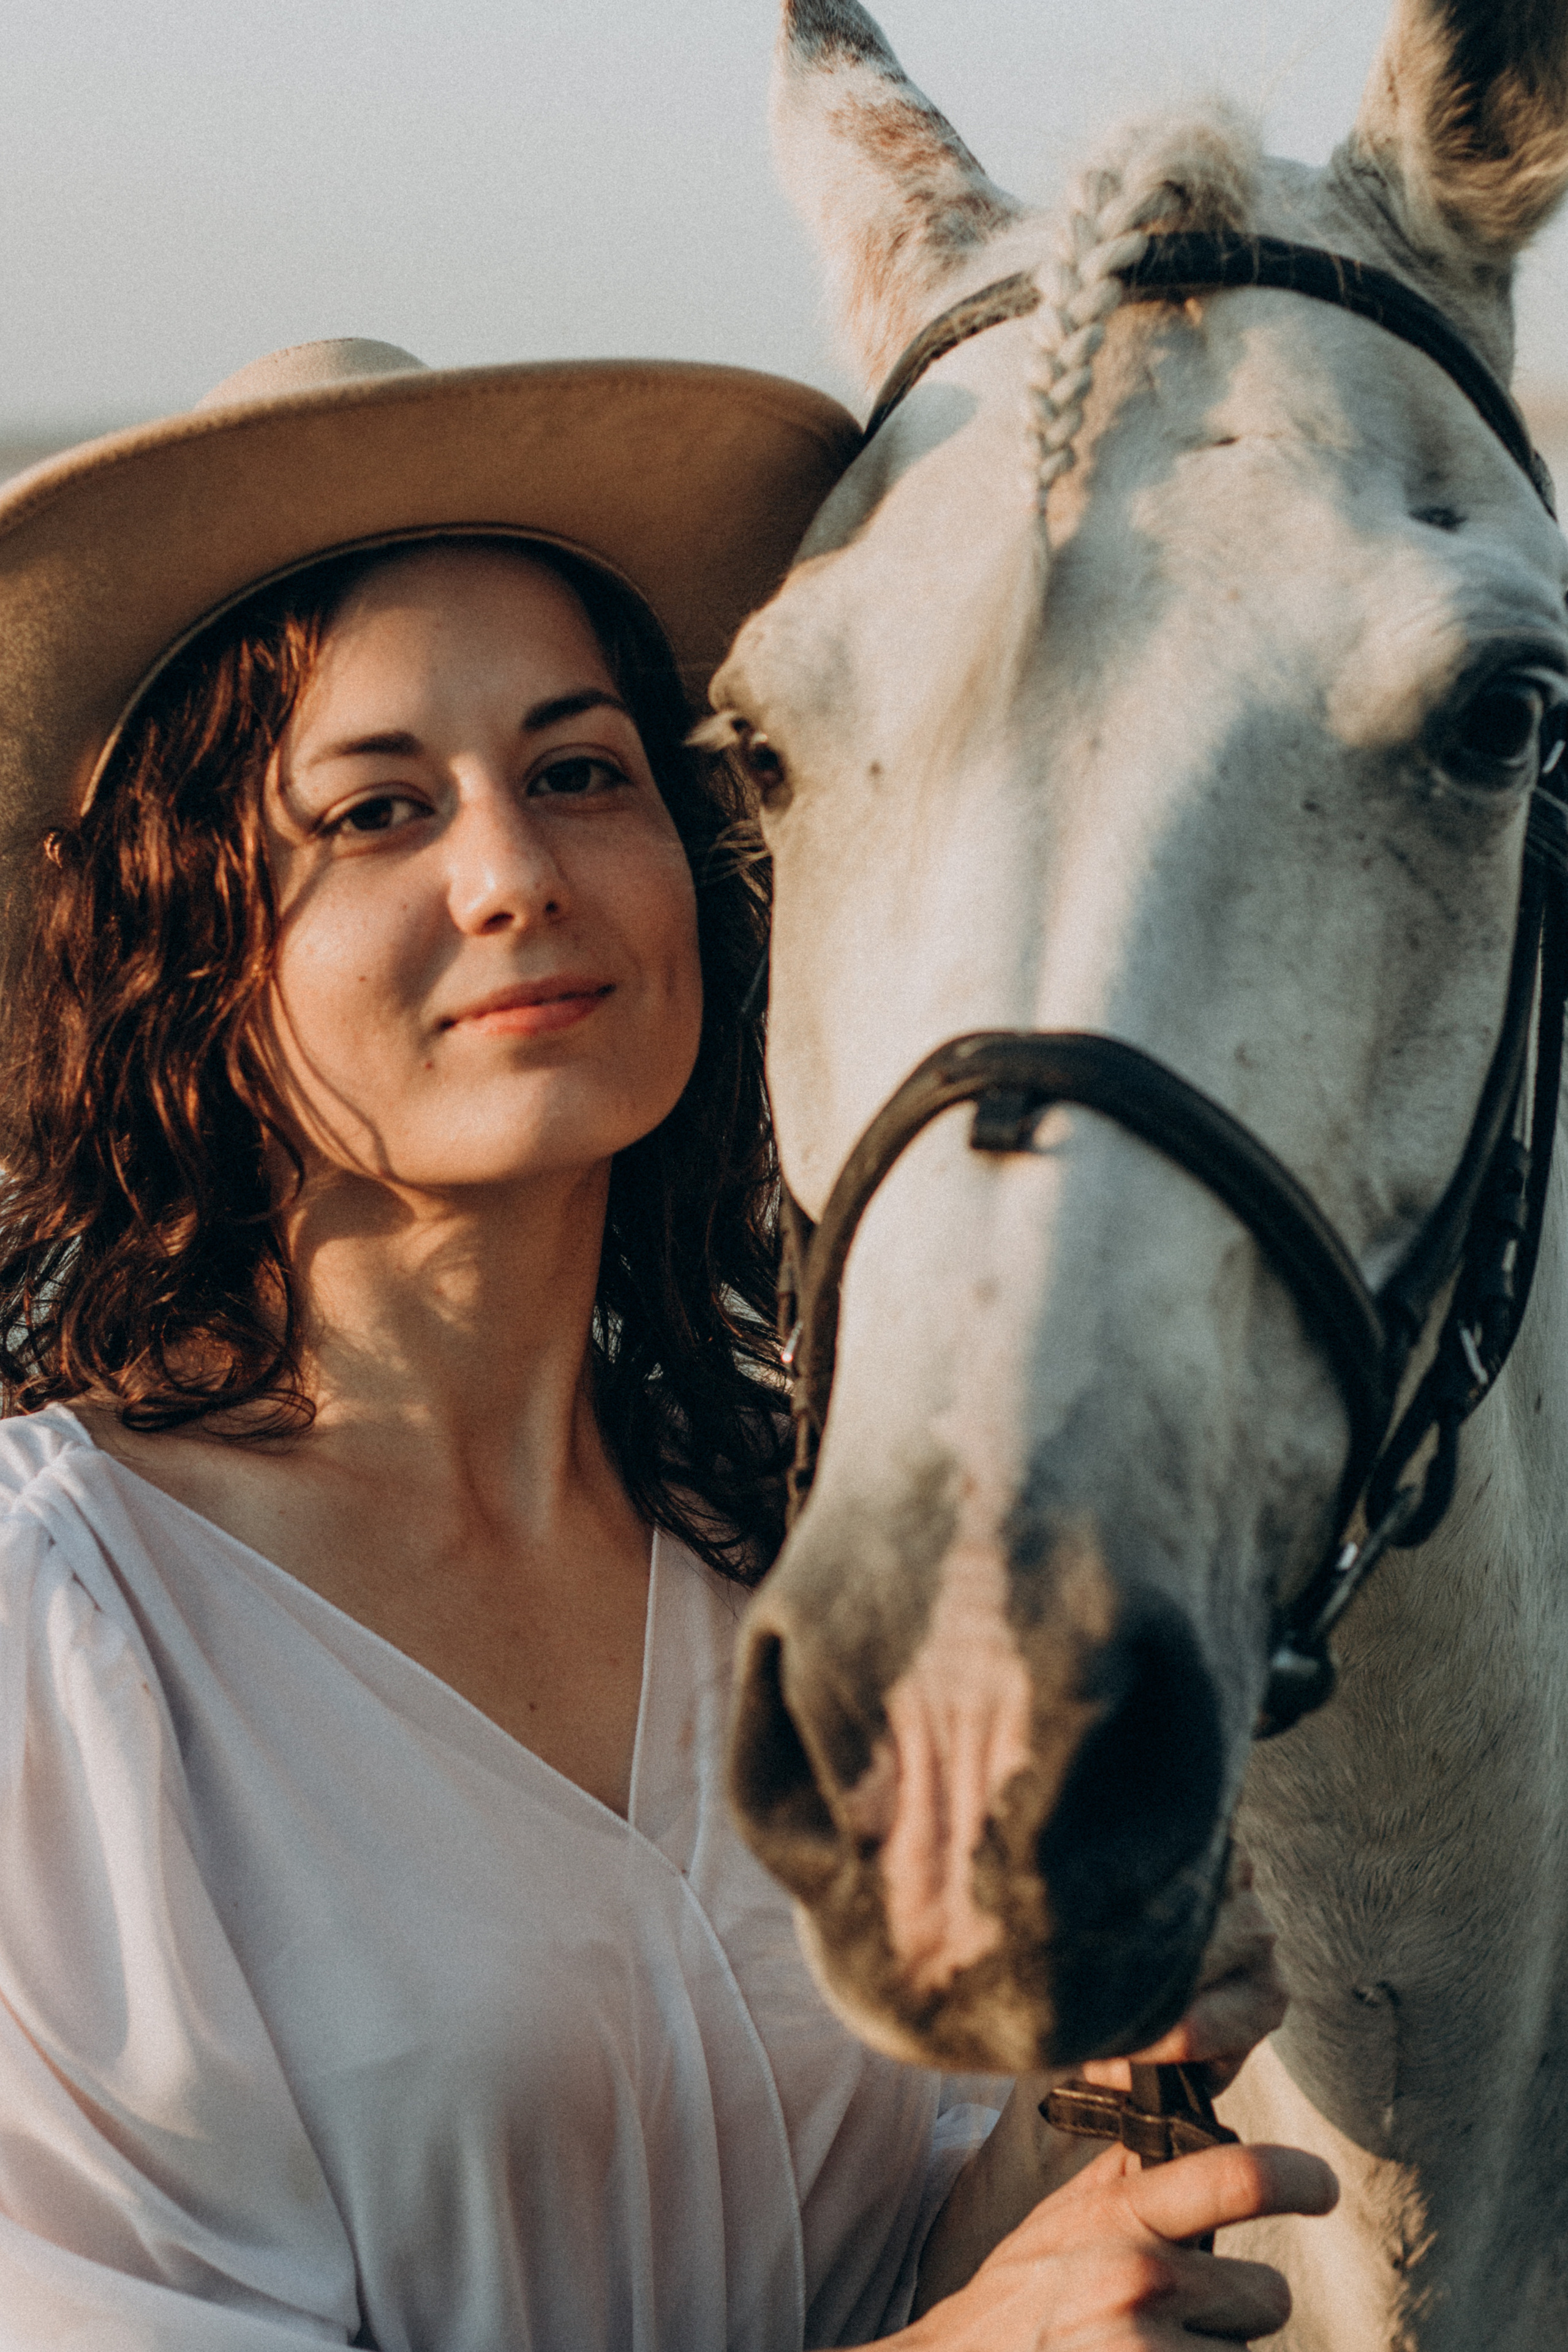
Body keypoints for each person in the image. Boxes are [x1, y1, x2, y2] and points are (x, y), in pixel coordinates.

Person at [0, 335, 1334, 2350]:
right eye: (375, 811)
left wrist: (1106, 2097)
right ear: (190, 935)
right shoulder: (69, 1645)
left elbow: (892, 2276)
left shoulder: (792, 1556)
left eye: (580, 772)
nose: (517, 874)